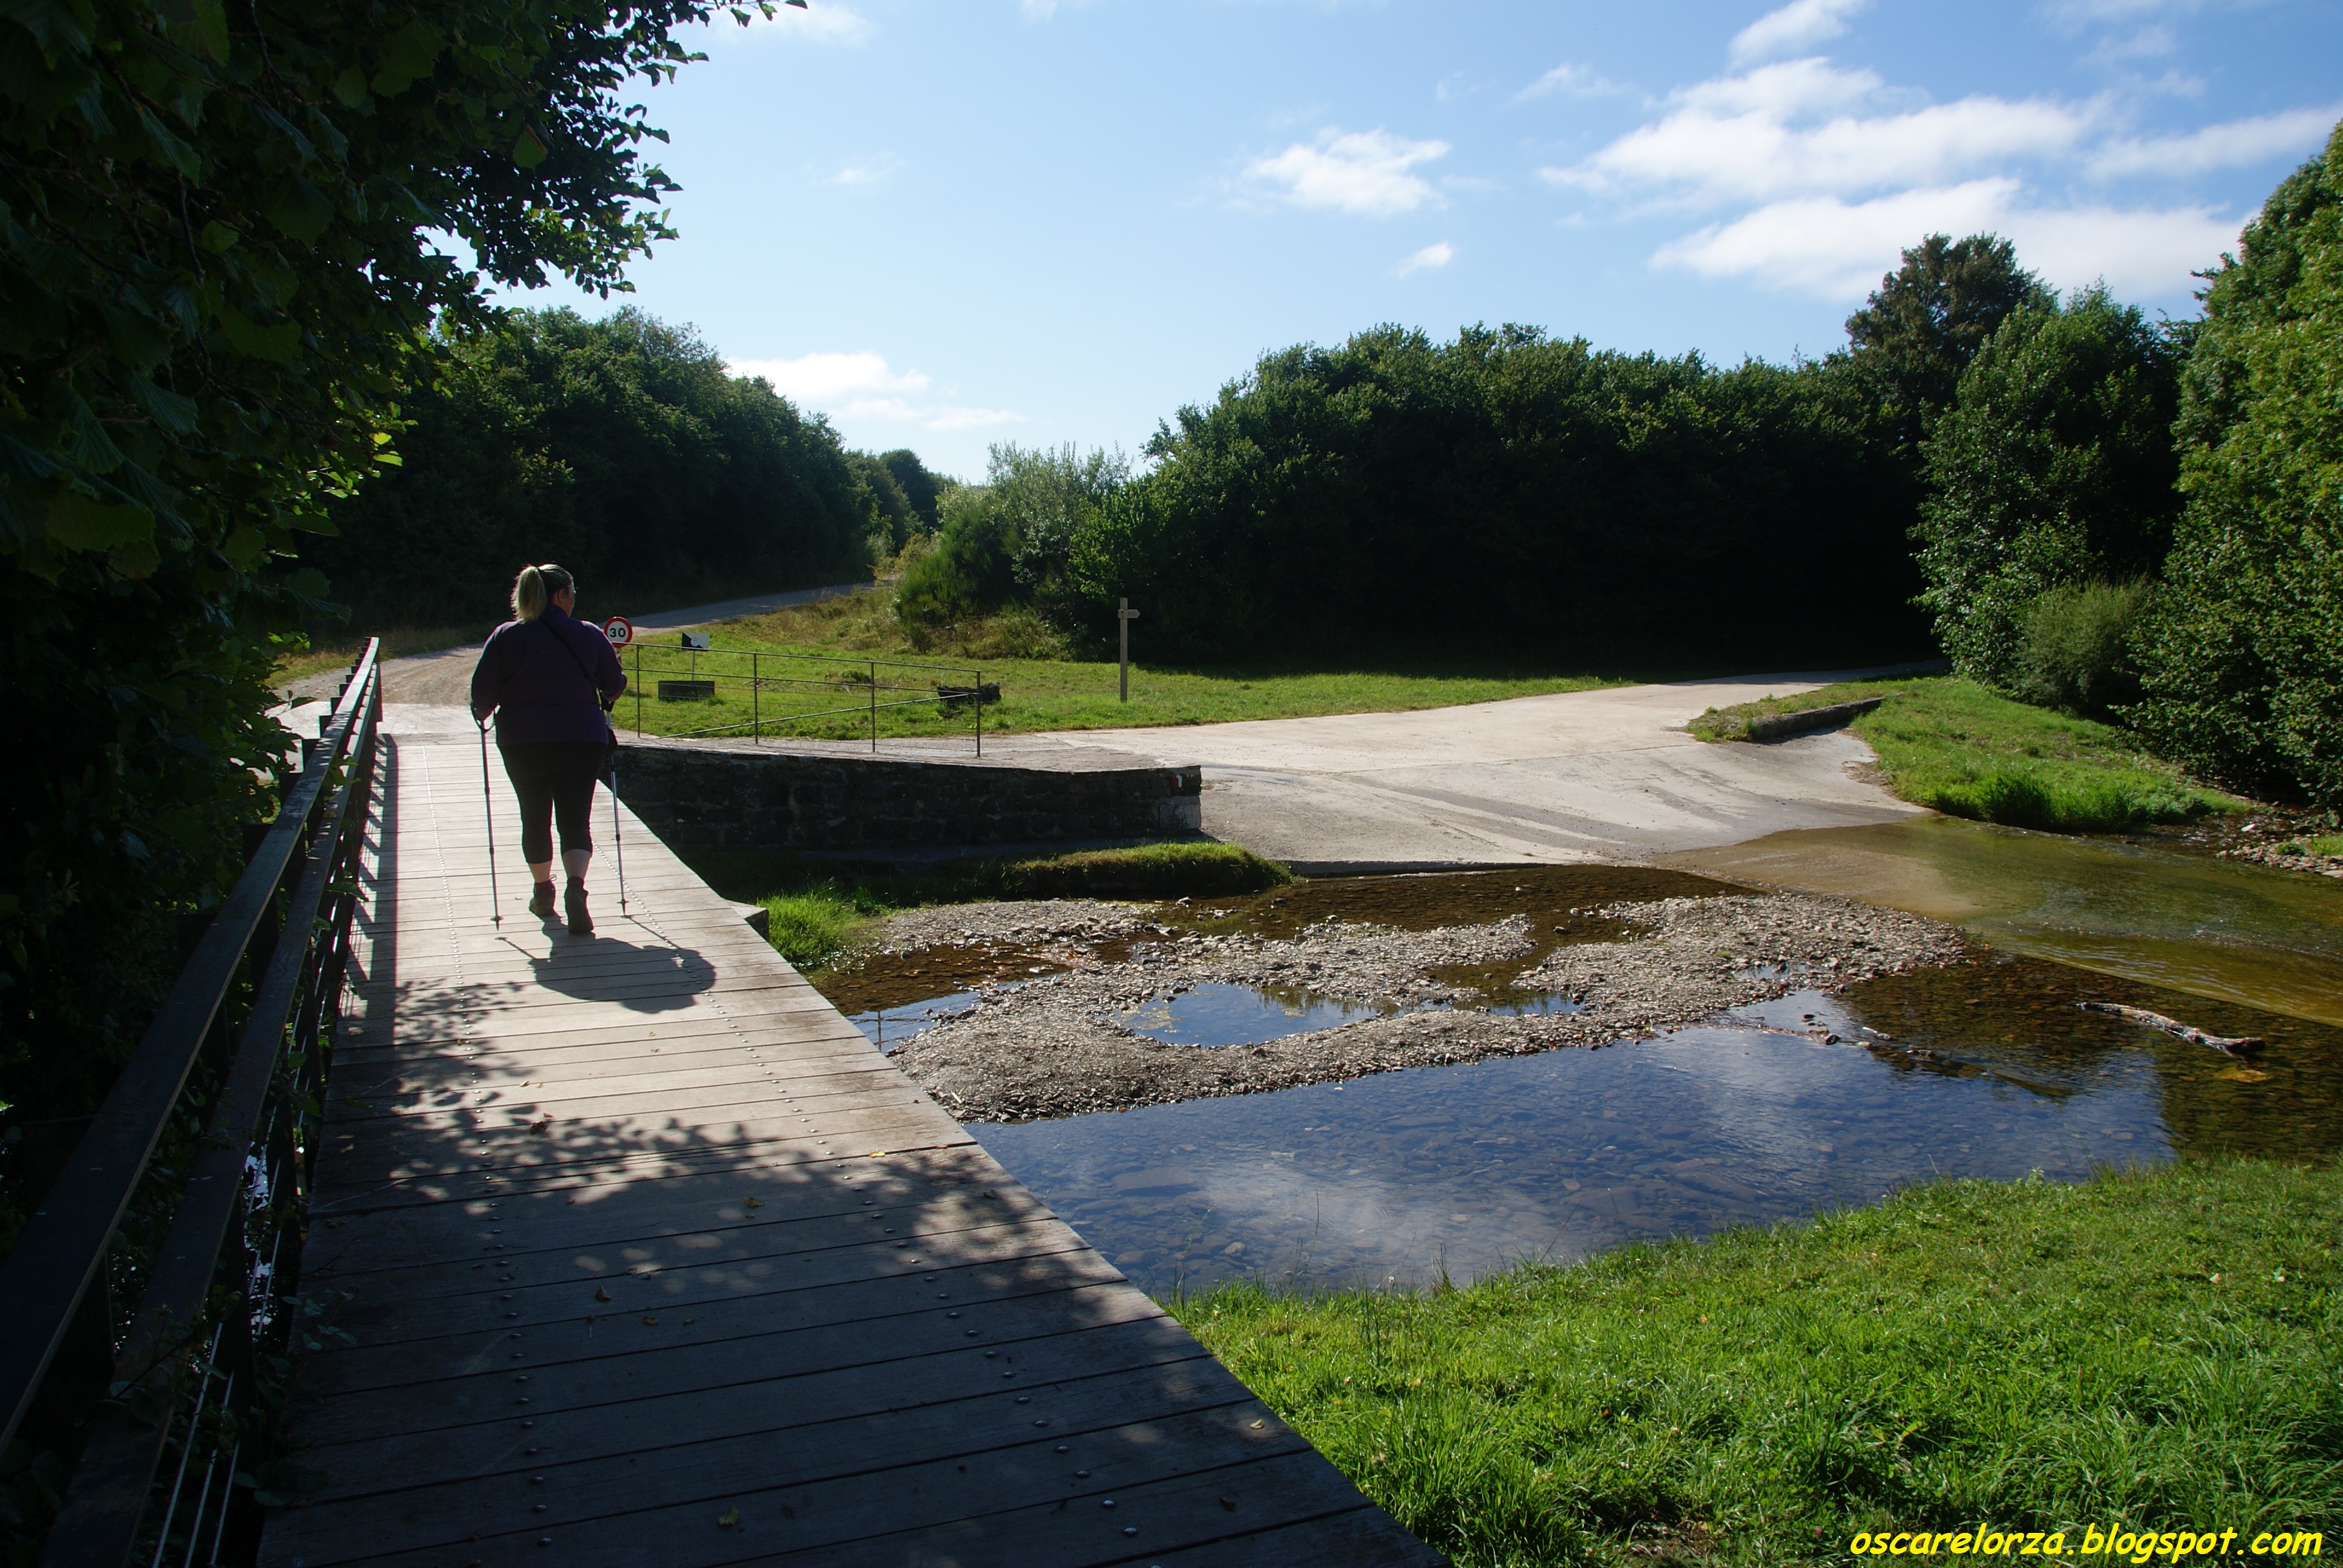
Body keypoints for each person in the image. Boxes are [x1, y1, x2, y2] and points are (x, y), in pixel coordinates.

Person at [470, 564, 626, 933]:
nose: (574, 601)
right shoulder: (589, 634)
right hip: (581, 739)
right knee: (575, 819)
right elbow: (614, 686)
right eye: (572, 594)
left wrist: (486, 710)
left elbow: (482, 697)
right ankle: (576, 888)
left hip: (523, 741)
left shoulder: (506, 635)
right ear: (561, 595)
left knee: (534, 817)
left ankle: (543, 892)